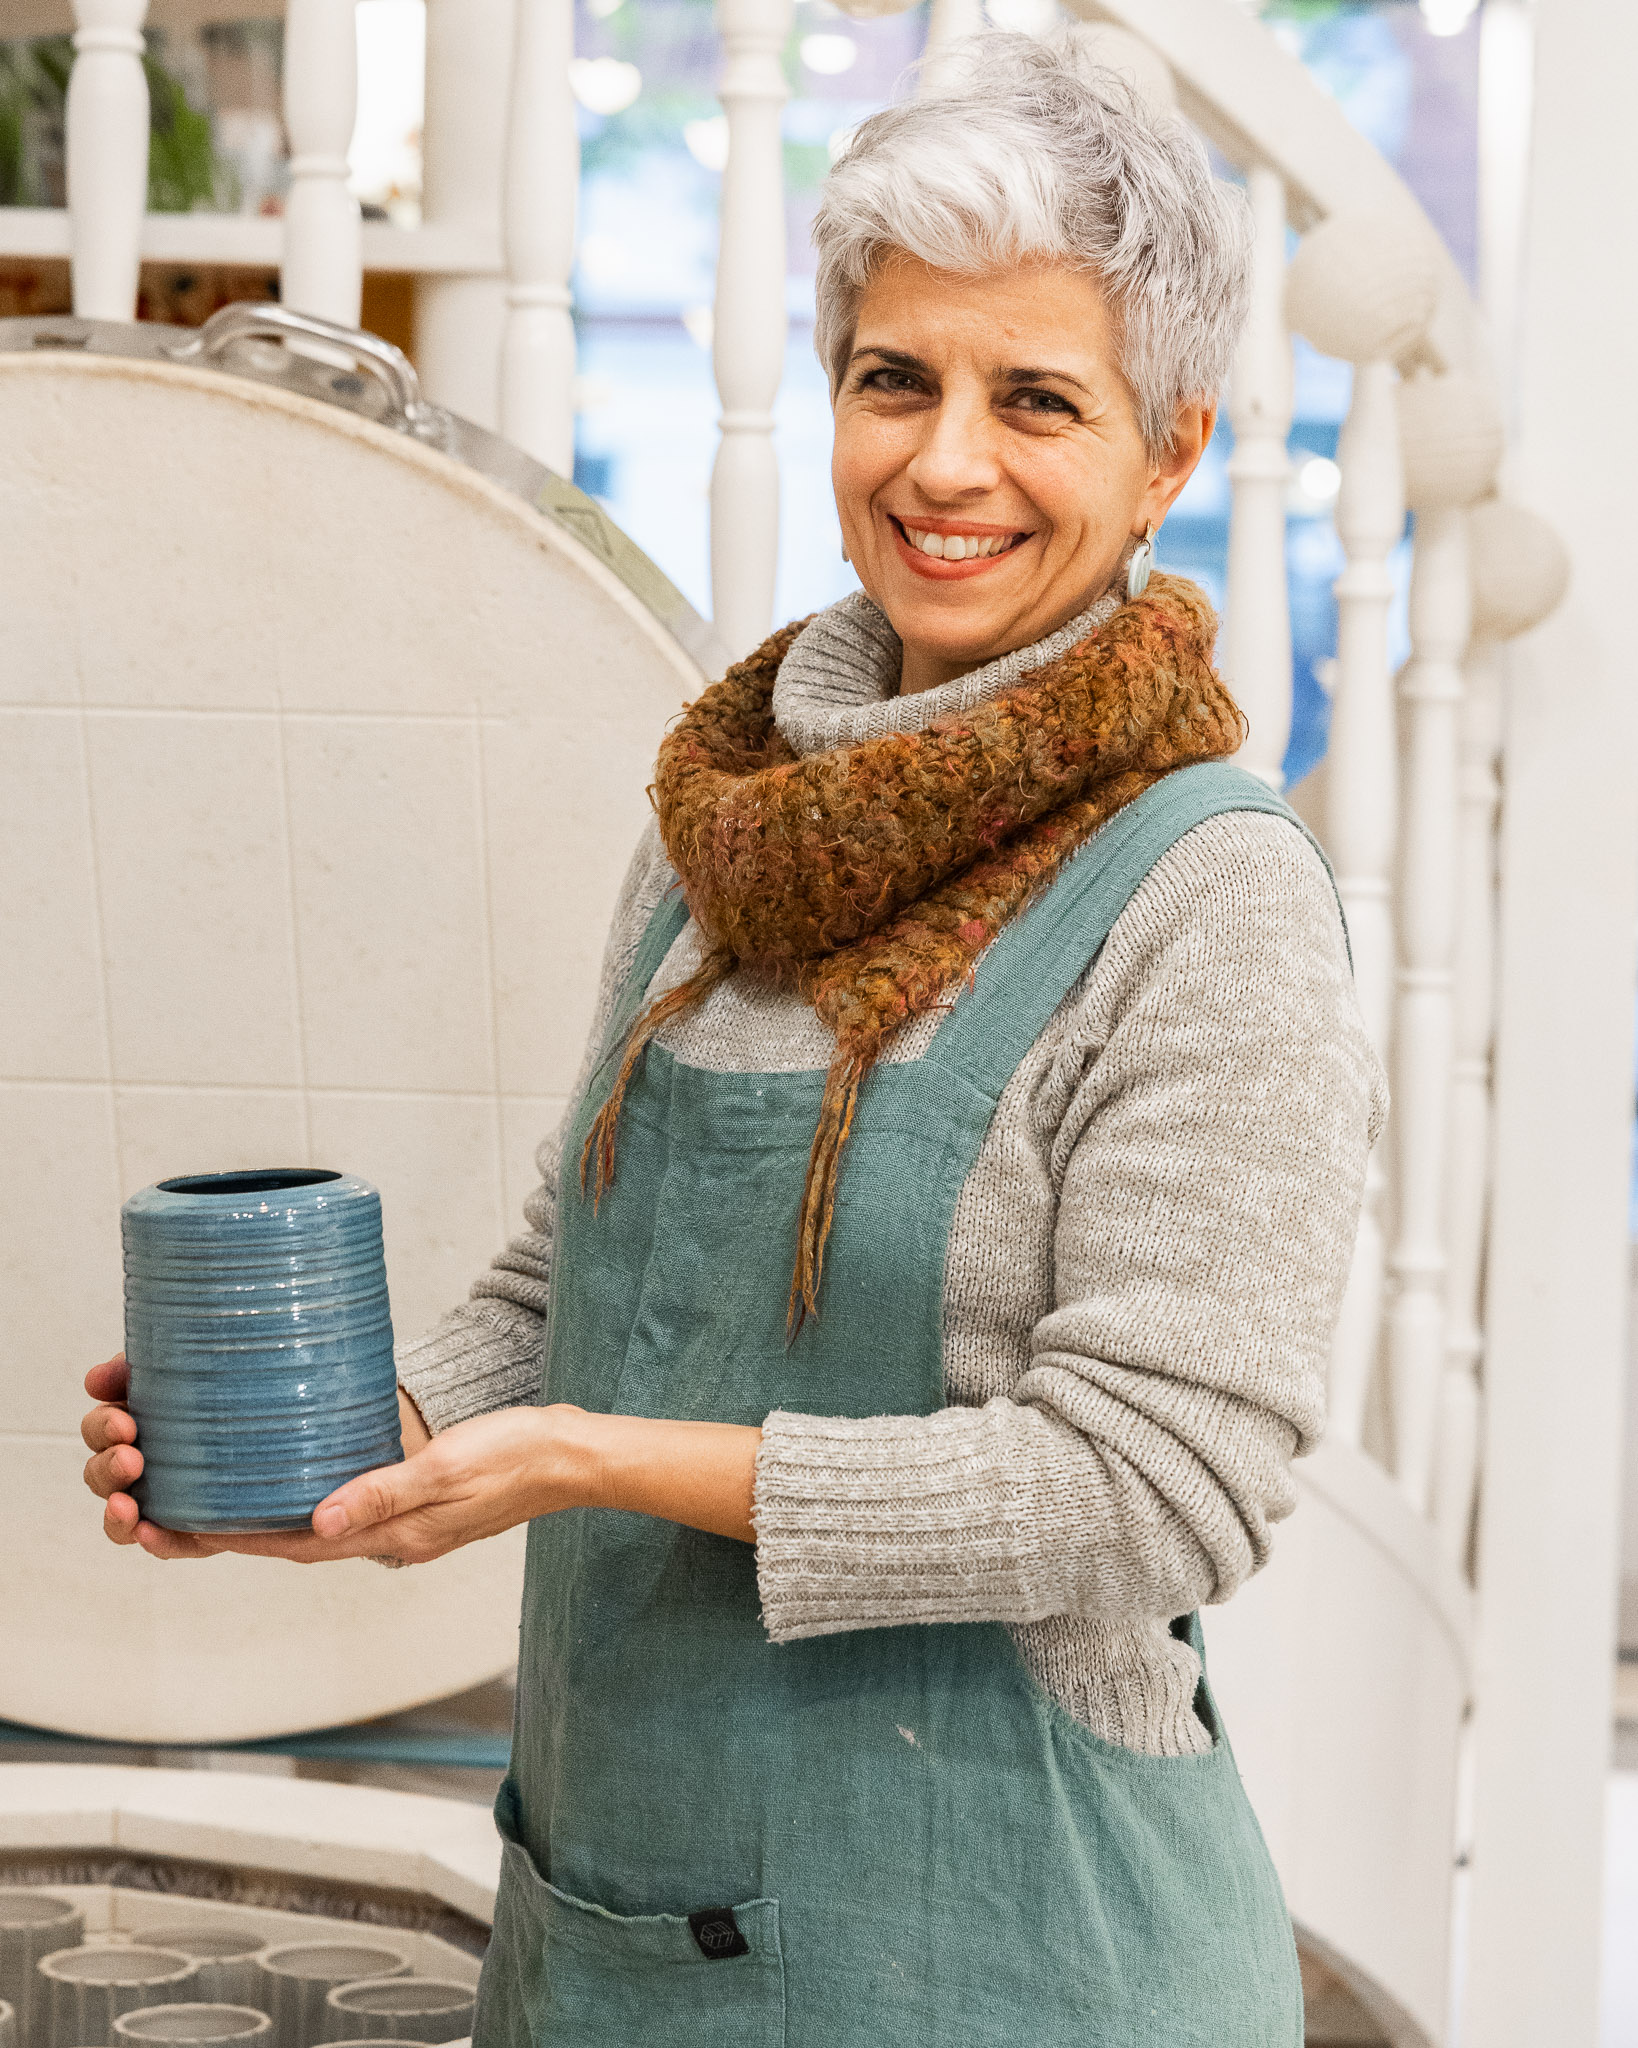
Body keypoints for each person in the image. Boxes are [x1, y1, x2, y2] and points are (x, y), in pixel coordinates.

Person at [82, 33, 1384, 2045]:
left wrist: (592, 1460)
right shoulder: (726, 824)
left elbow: (1159, 1487)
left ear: (1173, 451)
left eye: (1036, 397)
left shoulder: (1204, 895)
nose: (946, 464)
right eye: (896, 378)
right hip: (620, 1943)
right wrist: (367, 1450)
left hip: (1008, 1972)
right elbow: (572, 1270)